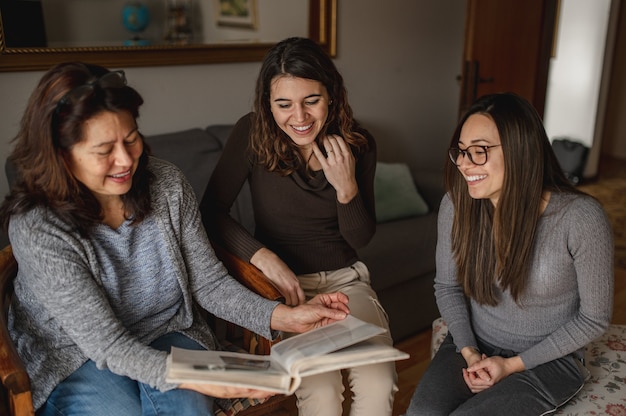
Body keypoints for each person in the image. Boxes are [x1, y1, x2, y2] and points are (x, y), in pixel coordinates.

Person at [0, 61, 351, 416]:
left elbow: (209, 283)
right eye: (104, 151)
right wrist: (204, 379)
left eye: (131, 139)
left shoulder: (166, 184)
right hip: (75, 353)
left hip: (166, 329)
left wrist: (285, 317)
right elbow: (108, 345)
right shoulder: (37, 225)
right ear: (61, 155)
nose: (125, 161)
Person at [201, 36, 397, 416]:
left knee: (379, 381)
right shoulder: (251, 133)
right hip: (285, 292)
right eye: (284, 104)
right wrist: (263, 257)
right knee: (320, 392)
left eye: (312, 100)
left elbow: (361, 238)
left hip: (346, 283)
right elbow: (211, 212)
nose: (300, 117)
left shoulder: (359, 143)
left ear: (332, 96)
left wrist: (347, 188)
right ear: (267, 104)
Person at [405, 92, 614, 416]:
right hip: (476, 343)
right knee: (422, 412)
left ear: (521, 151)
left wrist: (512, 365)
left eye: (479, 151)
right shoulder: (457, 205)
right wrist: (470, 351)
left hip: (550, 361)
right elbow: (447, 286)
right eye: (461, 151)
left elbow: (594, 318)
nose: (463, 163)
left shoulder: (580, 218)